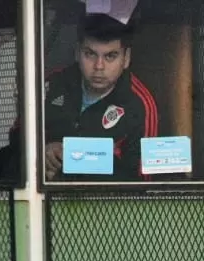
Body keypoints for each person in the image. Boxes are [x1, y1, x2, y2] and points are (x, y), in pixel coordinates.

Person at [42, 13, 158, 182]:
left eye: (110, 56)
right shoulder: (52, 83)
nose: (99, 66)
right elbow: (17, 137)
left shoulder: (140, 104)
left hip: (105, 204)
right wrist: (42, 151)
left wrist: (74, 167)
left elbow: (143, 180)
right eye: (90, 54)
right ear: (77, 53)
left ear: (126, 59)